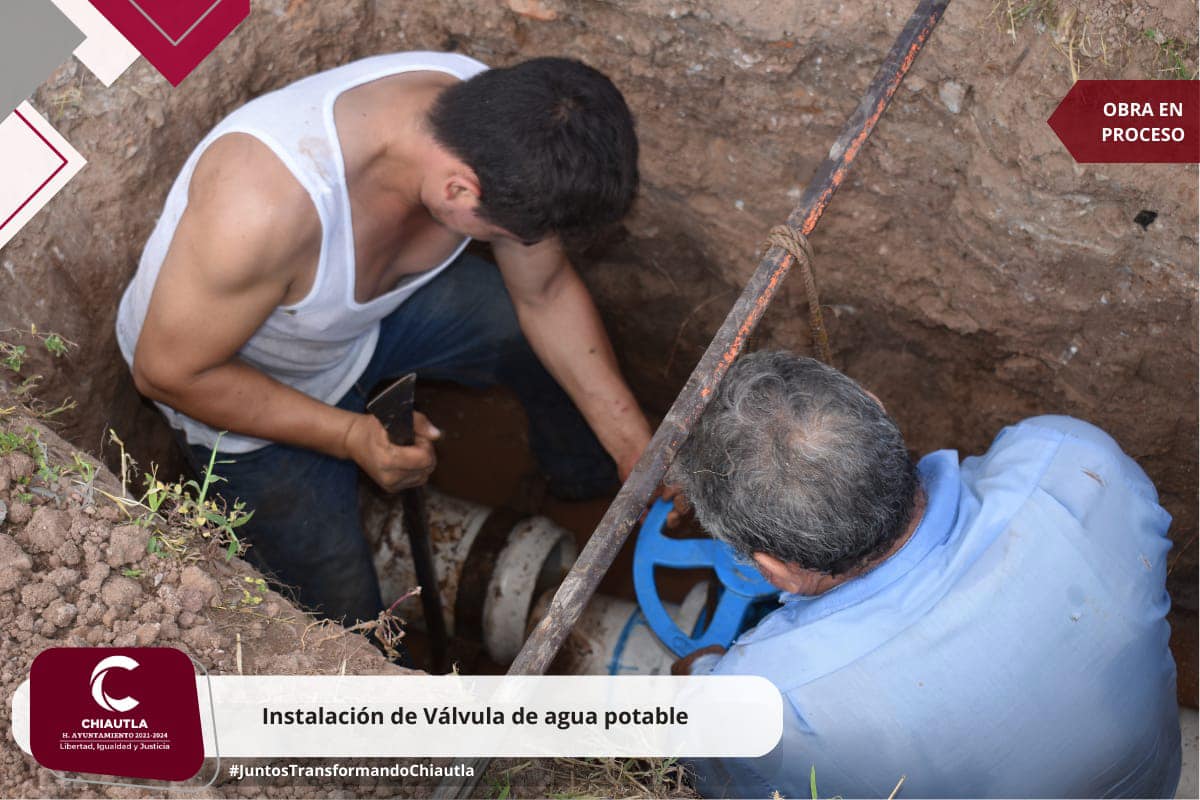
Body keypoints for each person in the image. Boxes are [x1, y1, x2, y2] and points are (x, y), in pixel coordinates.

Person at [116, 52, 652, 627]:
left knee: (510, 324)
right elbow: (167, 374)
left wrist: (631, 443)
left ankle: (585, 479)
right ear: (460, 193)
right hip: (235, 383)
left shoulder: (501, 130)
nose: (527, 245)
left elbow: (543, 294)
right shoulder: (263, 210)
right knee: (344, 609)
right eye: (513, 236)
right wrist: (352, 436)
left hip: (358, 326)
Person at [668, 351, 1180, 798]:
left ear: (773, 569)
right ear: (877, 407)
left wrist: (698, 672)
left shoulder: (773, 705)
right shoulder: (1072, 465)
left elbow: (717, 777)